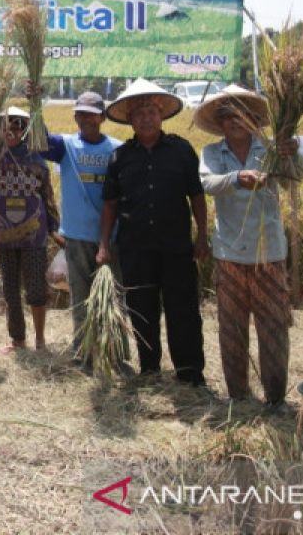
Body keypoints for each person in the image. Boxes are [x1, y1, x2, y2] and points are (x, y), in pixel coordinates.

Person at [98, 79, 209, 386]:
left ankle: (189, 373)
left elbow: (197, 197)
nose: (145, 117)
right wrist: (104, 244)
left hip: (176, 247)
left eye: (151, 111)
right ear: (130, 120)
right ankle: (149, 370)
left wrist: (202, 235)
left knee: (182, 309)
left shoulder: (181, 150)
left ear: (161, 115)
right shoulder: (120, 157)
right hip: (136, 247)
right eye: (139, 113)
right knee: (142, 310)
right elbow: (110, 204)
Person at [196, 86, 300, 406]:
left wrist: (291, 154)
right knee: (232, 329)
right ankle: (238, 397)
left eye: (242, 115)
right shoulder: (213, 153)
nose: (235, 122)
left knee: (273, 329)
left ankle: (275, 399)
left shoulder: (270, 149)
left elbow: (297, 177)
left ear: (254, 120)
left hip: (268, 253)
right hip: (229, 253)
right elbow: (206, 183)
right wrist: (238, 178)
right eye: (228, 116)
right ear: (221, 123)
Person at [28, 87, 124, 363]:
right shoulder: (65, 146)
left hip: (111, 237)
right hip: (77, 238)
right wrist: (35, 103)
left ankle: (115, 354)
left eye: (92, 115)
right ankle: (83, 353)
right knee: (80, 299)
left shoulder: (116, 149)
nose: (86, 119)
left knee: (112, 299)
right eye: (80, 114)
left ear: (102, 117)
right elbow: (40, 140)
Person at [0, 107, 59, 354]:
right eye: (5, 127)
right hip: (4, 233)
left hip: (34, 234)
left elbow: (48, 196)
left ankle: (41, 340)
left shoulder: (36, 159)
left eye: (17, 126)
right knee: (11, 290)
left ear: (25, 130)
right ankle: (18, 339)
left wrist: (55, 228)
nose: (11, 131)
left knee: (35, 288)